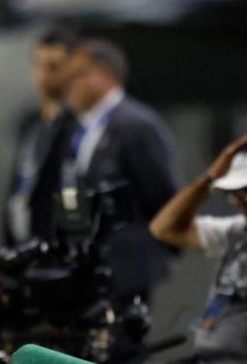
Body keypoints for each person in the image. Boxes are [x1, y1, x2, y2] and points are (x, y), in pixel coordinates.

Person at [59, 38, 180, 307]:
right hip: (90, 266)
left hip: (128, 268)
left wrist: (161, 246)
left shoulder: (137, 125)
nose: (70, 86)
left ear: (104, 75)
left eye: (78, 76)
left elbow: (164, 193)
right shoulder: (79, 128)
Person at [150, 136, 247, 364]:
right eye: (234, 193)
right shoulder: (237, 230)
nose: (240, 202)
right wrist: (209, 178)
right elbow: (164, 229)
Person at [5, 25, 77, 245]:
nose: (44, 75)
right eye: (39, 65)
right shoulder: (30, 123)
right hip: (23, 248)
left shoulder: (78, 125)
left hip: (57, 246)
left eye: (53, 67)